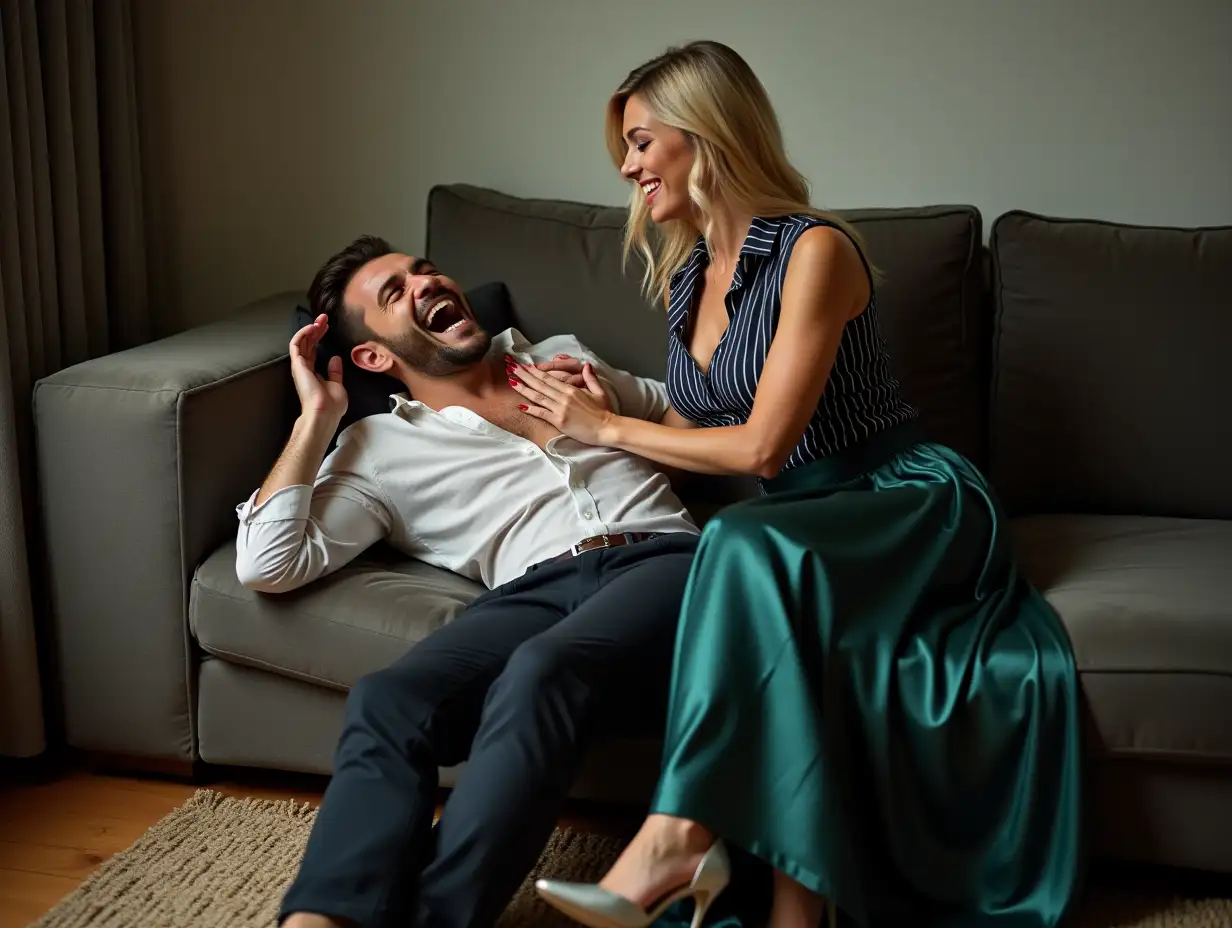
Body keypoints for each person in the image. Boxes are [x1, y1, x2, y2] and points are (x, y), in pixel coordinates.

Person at [526, 41, 1082, 928]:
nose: (627, 168)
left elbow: (763, 451)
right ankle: (795, 911)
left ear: (702, 132)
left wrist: (604, 428)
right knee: (759, 573)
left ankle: (675, 839)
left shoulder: (815, 249)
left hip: (905, 498)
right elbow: (697, 436)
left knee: (735, 541)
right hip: (800, 527)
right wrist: (615, 412)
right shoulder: (686, 279)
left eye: (639, 141)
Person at [235, 234, 704, 928]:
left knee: (544, 668)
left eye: (423, 271)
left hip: (662, 560)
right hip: (533, 589)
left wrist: (612, 420)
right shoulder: (377, 448)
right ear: (372, 357)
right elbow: (266, 565)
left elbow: (698, 420)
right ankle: (321, 919)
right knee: (388, 699)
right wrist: (317, 418)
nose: (424, 284)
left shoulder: (560, 357)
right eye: (395, 293)